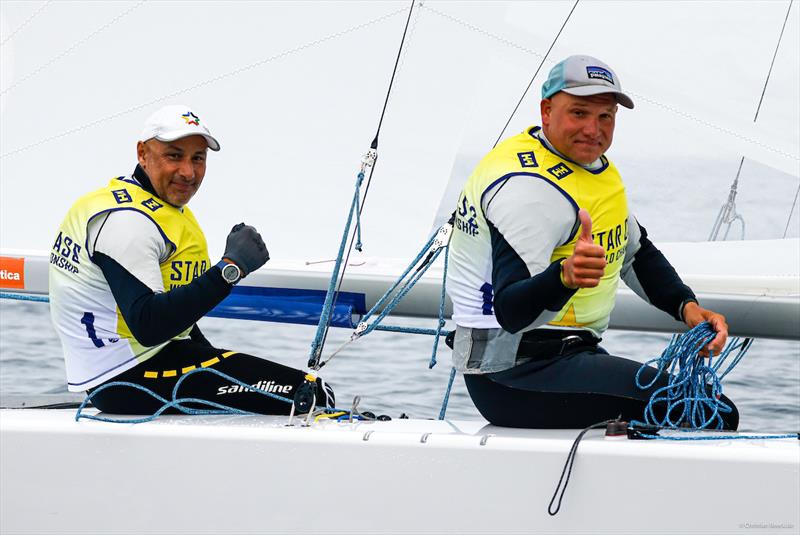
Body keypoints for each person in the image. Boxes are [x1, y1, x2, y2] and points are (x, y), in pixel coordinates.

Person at [446, 55, 738, 429]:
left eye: (606, 117)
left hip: (565, 356)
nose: (593, 129)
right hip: (513, 374)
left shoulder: (591, 166)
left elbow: (635, 253)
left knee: (693, 410)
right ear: (546, 111)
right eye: (579, 113)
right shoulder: (526, 190)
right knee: (713, 413)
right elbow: (511, 312)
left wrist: (686, 307)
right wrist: (563, 278)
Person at [48, 104, 333, 414]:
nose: (188, 172)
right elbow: (149, 325)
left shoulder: (158, 208)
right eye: (174, 155)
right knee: (312, 394)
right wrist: (230, 269)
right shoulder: (126, 221)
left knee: (283, 389)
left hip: (144, 365)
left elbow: (178, 326)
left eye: (198, 158)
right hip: (125, 379)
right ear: (143, 153)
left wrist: (217, 362)